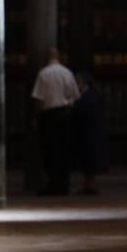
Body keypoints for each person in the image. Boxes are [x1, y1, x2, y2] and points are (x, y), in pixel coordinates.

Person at [31, 48, 80, 196]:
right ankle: (64, 185)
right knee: (64, 150)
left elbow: (39, 98)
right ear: (59, 57)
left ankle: (53, 184)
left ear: (48, 57)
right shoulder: (67, 73)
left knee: (50, 150)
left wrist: (35, 116)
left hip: (49, 115)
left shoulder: (44, 73)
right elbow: (74, 95)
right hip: (64, 114)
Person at [70, 71, 108, 195]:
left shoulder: (90, 96)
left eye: (77, 82)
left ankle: (90, 185)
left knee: (90, 160)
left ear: (83, 83)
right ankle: (88, 184)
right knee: (87, 160)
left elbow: (82, 111)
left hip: (91, 133)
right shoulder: (86, 95)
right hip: (86, 132)